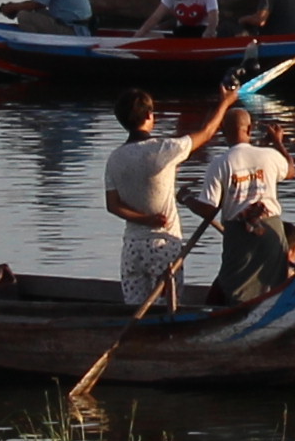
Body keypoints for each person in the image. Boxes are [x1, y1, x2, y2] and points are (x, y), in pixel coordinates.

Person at [100, 87, 241, 309]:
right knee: (168, 310)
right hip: (163, 246)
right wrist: (225, 102)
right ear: (148, 116)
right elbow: (206, 132)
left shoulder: (114, 158)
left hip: (132, 249)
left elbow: (113, 206)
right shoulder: (163, 149)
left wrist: (144, 220)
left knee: (134, 310)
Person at [191, 106, 295, 308]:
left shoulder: (220, 163)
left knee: (236, 287)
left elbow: (208, 210)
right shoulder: (269, 155)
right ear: (250, 129)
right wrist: (278, 141)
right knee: (273, 285)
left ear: (223, 132)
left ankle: (236, 319)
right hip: (271, 231)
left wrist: (187, 200)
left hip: (240, 235)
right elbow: (291, 170)